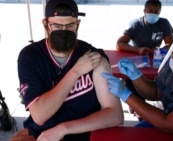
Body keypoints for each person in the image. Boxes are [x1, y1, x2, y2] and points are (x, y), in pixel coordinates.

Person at [11, 0, 123, 141]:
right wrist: (76, 71)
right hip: (42, 135)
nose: (64, 31)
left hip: (84, 134)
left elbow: (115, 114)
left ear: (78, 24)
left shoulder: (93, 57)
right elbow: (40, 116)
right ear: (45, 24)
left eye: (70, 25)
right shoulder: (31, 56)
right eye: (57, 25)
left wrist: (63, 129)